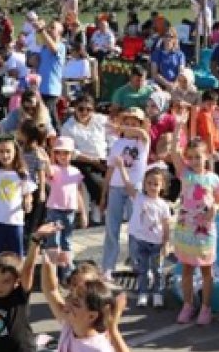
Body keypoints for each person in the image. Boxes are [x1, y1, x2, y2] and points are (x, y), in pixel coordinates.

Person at [166, 134, 219, 326]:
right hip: (186, 229)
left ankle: (206, 307)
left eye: (198, 157)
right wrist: (178, 127)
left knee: (206, 270)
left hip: (205, 230)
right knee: (186, 269)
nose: (193, 161)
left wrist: (215, 208)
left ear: (207, 156)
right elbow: (174, 152)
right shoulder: (185, 173)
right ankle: (188, 304)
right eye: (190, 157)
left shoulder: (214, 179)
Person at [99, 109, 151, 278]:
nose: (130, 127)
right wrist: (104, 194)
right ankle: (108, 266)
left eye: (134, 123)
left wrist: (121, 128)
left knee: (136, 227)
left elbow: (142, 133)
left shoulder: (143, 142)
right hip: (115, 187)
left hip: (134, 188)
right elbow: (110, 170)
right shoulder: (117, 144)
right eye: (127, 123)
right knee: (112, 227)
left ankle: (137, 263)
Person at [123, 167, 172, 309]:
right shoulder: (139, 198)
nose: (152, 187)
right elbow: (128, 185)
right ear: (144, 184)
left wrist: (166, 243)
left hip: (156, 243)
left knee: (158, 270)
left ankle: (158, 294)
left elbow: (166, 225)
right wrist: (121, 167)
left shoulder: (163, 205)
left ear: (162, 186)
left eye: (156, 184)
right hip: (141, 242)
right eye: (149, 183)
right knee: (142, 269)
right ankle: (143, 293)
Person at [60, 95, 109, 224]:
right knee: (95, 180)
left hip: (104, 158)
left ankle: (106, 207)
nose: (85, 112)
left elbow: (112, 137)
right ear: (75, 108)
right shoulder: (68, 127)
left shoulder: (101, 120)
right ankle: (97, 207)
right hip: (82, 161)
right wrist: (93, 161)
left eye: (89, 109)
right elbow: (71, 151)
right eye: (81, 109)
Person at [46, 136, 88, 270]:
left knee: (67, 240)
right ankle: (52, 269)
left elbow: (78, 192)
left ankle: (67, 268)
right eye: (59, 153)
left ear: (71, 154)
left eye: (66, 153)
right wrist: (47, 158)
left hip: (70, 210)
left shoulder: (76, 172)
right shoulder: (54, 168)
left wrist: (83, 213)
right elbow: (49, 172)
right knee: (53, 240)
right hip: (55, 209)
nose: (62, 156)